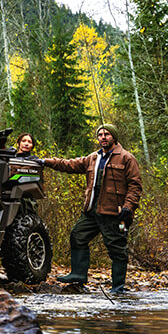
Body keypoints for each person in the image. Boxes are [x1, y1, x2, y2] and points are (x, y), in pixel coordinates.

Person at [39, 123, 142, 293]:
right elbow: (68, 164)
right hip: (91, 211)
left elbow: (135, 186)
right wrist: (45, 162)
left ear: (114, 137)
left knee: (117, 249)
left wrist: (128, 207)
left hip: (114, 213)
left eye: (106, 134)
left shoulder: (126, 158)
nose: (103, 137)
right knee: (78, 235)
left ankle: (118, 288)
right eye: (100, 135)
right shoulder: (93, 158)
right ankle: (78, 275)